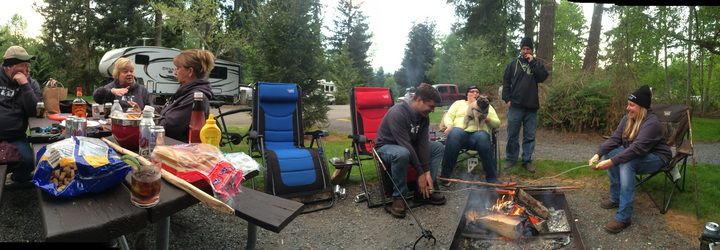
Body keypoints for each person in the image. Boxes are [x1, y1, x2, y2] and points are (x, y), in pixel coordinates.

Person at [587, 85, 671, 234]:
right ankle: (616, 197)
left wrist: (611, 162)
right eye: (628, 104)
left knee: (626, 162)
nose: (627, 108)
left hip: (657, 157)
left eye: (631, 105)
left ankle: (624, 217)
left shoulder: (652, 123)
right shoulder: (627, 119)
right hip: (640, 154)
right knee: (612, 153)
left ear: (642, 107)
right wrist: (598, 154)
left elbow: (636, 149)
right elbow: (614, 139)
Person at [374, 83, 445, 218]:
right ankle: (398, 197)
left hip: (408, 146)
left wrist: (427, 172)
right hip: (386, 147)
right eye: (431, 106)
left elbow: (423, 143)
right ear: (419, 100)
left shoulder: (423, 117)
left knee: (437, 147)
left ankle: (423, 192)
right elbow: (405, 145)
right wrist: (421, 173)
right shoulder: (398, 113)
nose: (432, 110)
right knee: (402, 153)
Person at [502, 36, 549, 173]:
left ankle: (527, 161)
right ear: (520, 49)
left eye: (528, 49)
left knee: (529, 136)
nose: (525, 51)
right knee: (512, 135)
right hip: (515, 106)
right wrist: (507, 99)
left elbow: (542, 77)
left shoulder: (537, 64)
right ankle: (511, 159)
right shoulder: (513, 64)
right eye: (523, 49)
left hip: (531, 107)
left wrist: (532, 62)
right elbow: (506, 82)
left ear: (532, 50)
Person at [146, 49, 213, 142]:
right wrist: (146, 110)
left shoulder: (195, 98)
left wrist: (148, 118)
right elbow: (165, 110)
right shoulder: (185, 92)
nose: (175, 72)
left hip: (180, 150)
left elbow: (169, 126)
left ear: (190, 71)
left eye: (178, 68)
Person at [440, 85, 500, 185]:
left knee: (483, 137)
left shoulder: (486, 106)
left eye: (477, 92)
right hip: (460, 130)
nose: (475, 94)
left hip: (478, 132)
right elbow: (448, 116)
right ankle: (445, 177)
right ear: (467, 94)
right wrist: (449, 125)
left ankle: (492, 180)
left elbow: (497, 123)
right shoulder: (458, 103)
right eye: (472, 91)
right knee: (454, 134)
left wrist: (487, 118)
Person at [0, 46, 42, 188]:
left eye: (28, 66)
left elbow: (34, 110)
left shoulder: (31, 84)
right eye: (23, 66)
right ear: (9, 66)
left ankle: (19, 177)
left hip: (15, 137)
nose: (28, 70)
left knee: (30, 161)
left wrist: (24, 85)